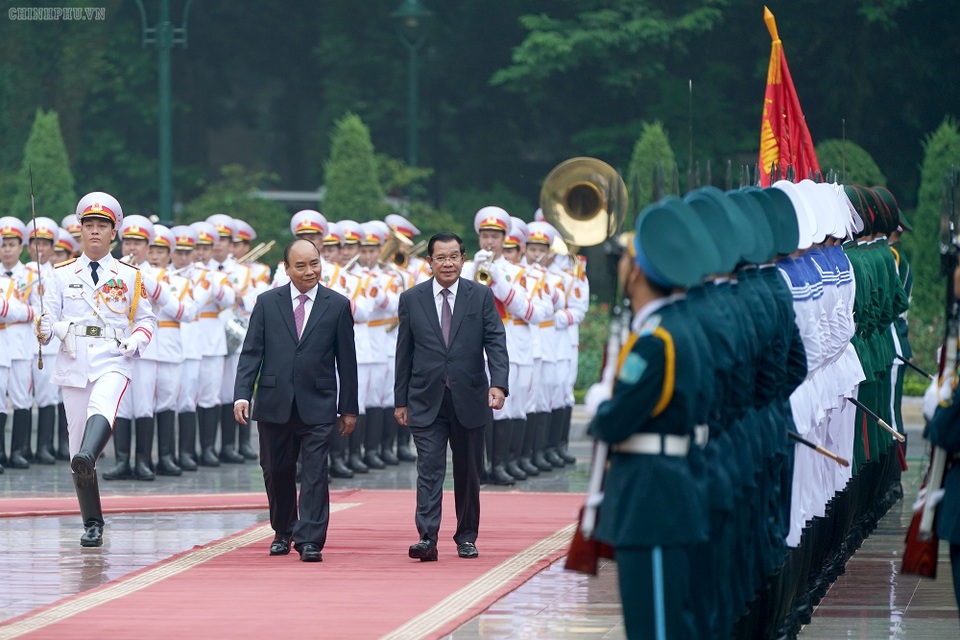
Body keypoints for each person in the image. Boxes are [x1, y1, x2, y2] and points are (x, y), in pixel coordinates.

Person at [37, 192, 157, 547]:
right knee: (78, 455)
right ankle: (92, 522)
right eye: (88, 225)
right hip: (74, 363)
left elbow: (146, 320)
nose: (94, 231)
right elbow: (48, 322)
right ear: (80, 231)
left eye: (101, 225)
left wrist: (136, 341)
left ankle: (91, 454)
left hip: (113, 358)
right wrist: (51, 330)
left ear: (113, 232)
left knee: (103, 407)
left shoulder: (129, 276)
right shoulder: (59, 275)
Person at [234, 238, 359, 563]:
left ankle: (311, 539)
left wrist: (348, 407)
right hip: (275, 402)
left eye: (314, 264)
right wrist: (241, 395)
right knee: (276, 470)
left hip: (318, 402)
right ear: (286, 269)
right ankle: (283, 530)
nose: (309, 271)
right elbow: (251, 353)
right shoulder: (267, 302)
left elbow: (347, 361)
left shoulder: (337, 304)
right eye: (300, 265)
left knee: (316, 471)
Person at [394, 231, 509, 561]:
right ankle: (427, 537)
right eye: (440, 258)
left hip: (470, 397)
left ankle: (466, 536)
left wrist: (498, 384)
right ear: (429, 262)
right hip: (425, 398)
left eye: (454, 256)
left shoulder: (480, 296)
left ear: (463, 259)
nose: (447, 263)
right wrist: (400, 400)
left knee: (468, 470)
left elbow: (496, 343)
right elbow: (404, 353)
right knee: (429, 468)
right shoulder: (412, 299)